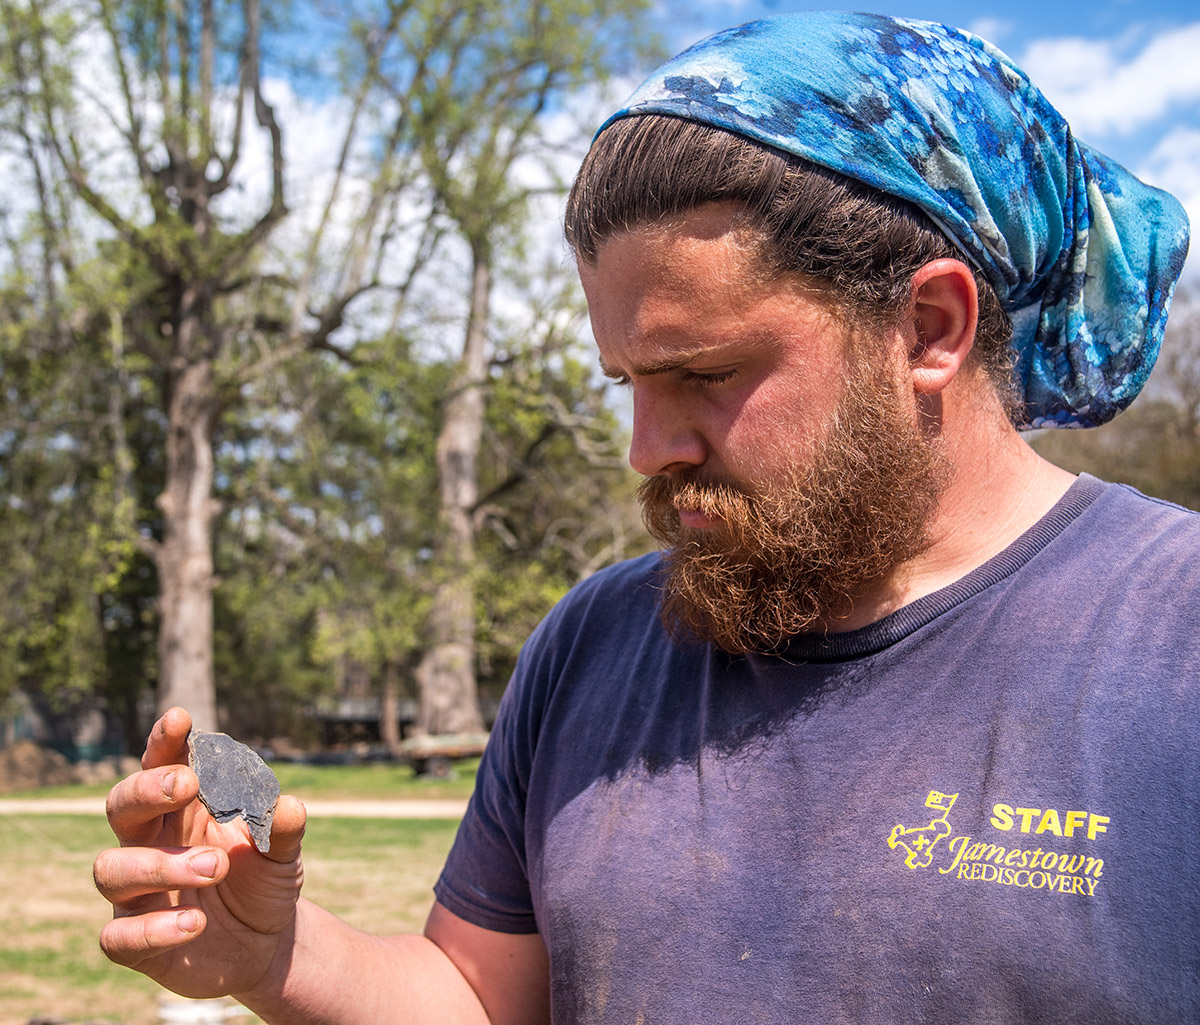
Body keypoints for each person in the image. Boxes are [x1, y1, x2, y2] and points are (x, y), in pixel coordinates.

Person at [94, 12, 1197, 1024]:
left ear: (929, 327)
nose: (648, 449)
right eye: (627, 382)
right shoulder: (595, 642)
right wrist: (276, 957)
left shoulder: (1172, 639)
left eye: (705, 372)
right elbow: (483, 999)